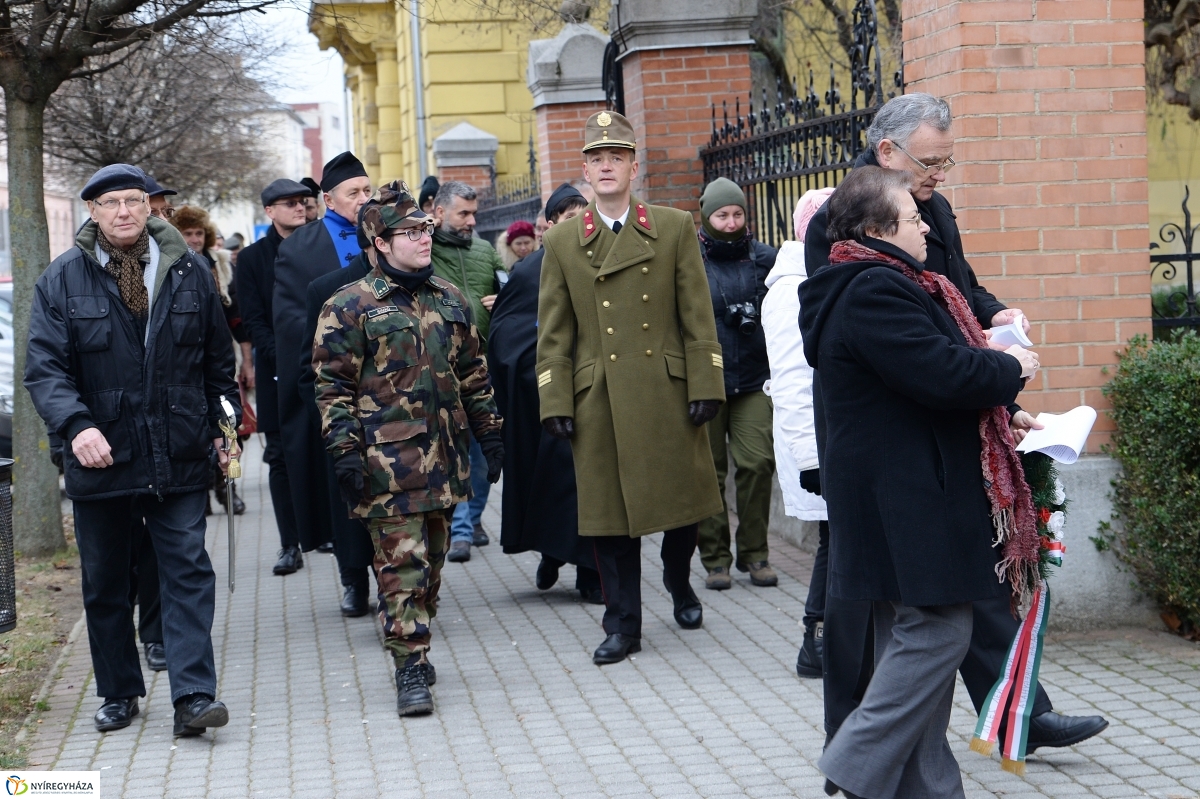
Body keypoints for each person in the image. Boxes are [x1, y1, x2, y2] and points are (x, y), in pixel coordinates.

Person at [804, 92, 1109, 755]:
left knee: (958, 591)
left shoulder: (929, 208)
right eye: (932, 161)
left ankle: (1013, 713)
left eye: (947, 160)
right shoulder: (847, 221)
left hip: (944, 419)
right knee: (872, 604)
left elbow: (958, 287)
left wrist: (995, 318)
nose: (941, 176)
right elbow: (884, 335)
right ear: (888, 152)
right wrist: (993, 375)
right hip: (888, 435)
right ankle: (855, 737)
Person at [801, 165, 1040, 797]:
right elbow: (942, 373)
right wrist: (1008, 366)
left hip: (906, 491)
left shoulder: (888, 280)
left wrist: (1007, 409)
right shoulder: (872, 288)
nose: (926, 231)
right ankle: (853, 765)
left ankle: (928, 787)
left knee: (919, 632)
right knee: (939, 630)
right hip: (903, 498)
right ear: (878, 229)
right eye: (913, 220)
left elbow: (926, 377)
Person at [25, 164, 238, 737]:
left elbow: (219, 365)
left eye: (134, 201)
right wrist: (75, 427)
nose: (124, 211)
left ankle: (194, 696)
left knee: (188, 572)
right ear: (92, 212)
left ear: (152, 208)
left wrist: (227, 433)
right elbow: (44, 370)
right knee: (106, 581)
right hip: (102, 452)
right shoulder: (62, 279)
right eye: (111, 202)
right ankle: (118, 691)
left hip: (180, 449)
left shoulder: (189, 272)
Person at [537, 111, 725, 666]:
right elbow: (554, 331)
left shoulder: (672, 226)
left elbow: (697, 315)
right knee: (610, 520)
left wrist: (706, 380)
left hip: (666, 391)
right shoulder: (566, 240)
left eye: (615, 158)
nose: (605, 167)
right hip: (600, 399)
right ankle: (622, 623)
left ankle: (678, 578)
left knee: (683, 507)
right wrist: (555, 398)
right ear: (585, 172)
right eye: (596, 160)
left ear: (633, 166)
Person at [313, 180, 503, 716]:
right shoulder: (349, 307)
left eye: (425, 228)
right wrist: (345, 450)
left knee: (432, 570)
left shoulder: (450, 298)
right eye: (411, 231)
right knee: (403, 570)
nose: (424, 238)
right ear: (379, 241)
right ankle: (410, 667)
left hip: (445, 463)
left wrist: (490, 430)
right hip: (386, 467)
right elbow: (331, 388)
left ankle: (411, 633)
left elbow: (474, 373)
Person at [489, 183, 601, 603]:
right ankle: (554, 554)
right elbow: (506, 335)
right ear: (549, 226)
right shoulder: (529, 271)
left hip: (595, 390)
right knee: (555, 482)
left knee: (592, 483)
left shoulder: (603, 260)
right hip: (547, 395)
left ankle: (592, 571)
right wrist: (538, 371)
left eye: (583, 217)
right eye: (568, 219)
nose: (579, 226)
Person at [273, 152, 372, 568]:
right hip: (336, 382)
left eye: (368, 190)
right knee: (342, 489)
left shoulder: (388, 233)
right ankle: (353, 580)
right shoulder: (299, 249)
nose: (364, 198)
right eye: (355, 193)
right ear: (330, 201)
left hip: (388, 383)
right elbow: (294, 323)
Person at [296, 200, 383, 617]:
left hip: (401, 424)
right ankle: (354, 580)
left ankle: (396, 583)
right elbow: (307, 364)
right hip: (346, 422)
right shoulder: (326, 289)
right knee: (348, 508)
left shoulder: (420, 286)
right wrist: (327, 421)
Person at [761, 188, 834, 678]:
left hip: (829, 438)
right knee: (836, 541)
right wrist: (812, 458)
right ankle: (817, 641)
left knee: (839, 540)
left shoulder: (817, 277)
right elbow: (791, 379)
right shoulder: (792, 289)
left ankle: (823, 641)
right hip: (815, 442)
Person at [694, 178, 778, 591]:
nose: (730, 223)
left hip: (754, 379)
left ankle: (755, 552)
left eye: (738, 214)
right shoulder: (688, 260)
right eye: (722, 215)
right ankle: (714, 559)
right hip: (705, 381)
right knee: (708, 472)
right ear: (706, 215)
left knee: (757, 463)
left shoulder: (766, 259)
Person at [235, 179, 311, 575]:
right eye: (289, 203)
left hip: (325, 368)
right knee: (280, 457)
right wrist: (279, 358)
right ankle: (289, 544)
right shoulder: (251, 259)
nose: (299, 208)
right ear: (270, 211)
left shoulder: (320, 247)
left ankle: (330, 532)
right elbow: (253, 319)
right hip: (277, 371)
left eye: (303, 202)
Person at [429, 180, 507, 562]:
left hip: (483, 367)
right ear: (439, 213)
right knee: (452, 453)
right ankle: (459, 530)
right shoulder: (424, 252)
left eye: (474, 213)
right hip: (441, 369)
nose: (472, 221)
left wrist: (503, 301)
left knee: (482, 452)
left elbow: (510, 290)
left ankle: (473, 519)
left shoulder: (485, 250)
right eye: (463, 213)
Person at [172, 205, 251, 516]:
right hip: (186, 358)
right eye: (187, 233)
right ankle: (202, 494)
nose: (193, 239)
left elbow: (235, 316)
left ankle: (227, 489)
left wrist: (247, 361)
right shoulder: (169, 265)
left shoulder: (217, 265)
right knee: (197, 430)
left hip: (220, 354)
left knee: (227, 422)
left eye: (198, 233)